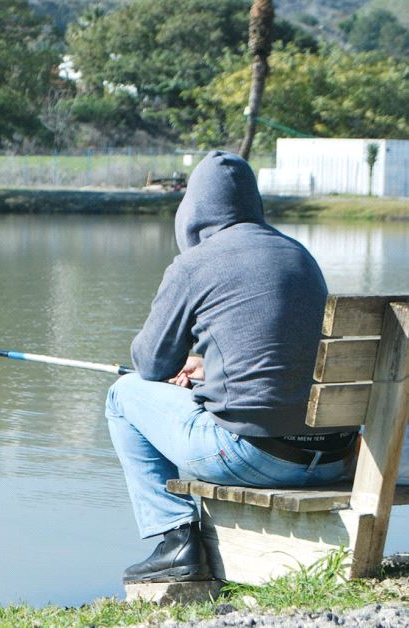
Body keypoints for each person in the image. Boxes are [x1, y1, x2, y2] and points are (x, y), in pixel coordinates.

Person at [106, 150, 358, 584]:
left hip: (253, 456)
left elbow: (148, 363)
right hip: (336, 456)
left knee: (123, 396)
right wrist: (208, 366)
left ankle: (174, 540)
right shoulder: (299, 256)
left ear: (193, 211)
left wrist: (181, 368)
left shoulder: (195, 263)